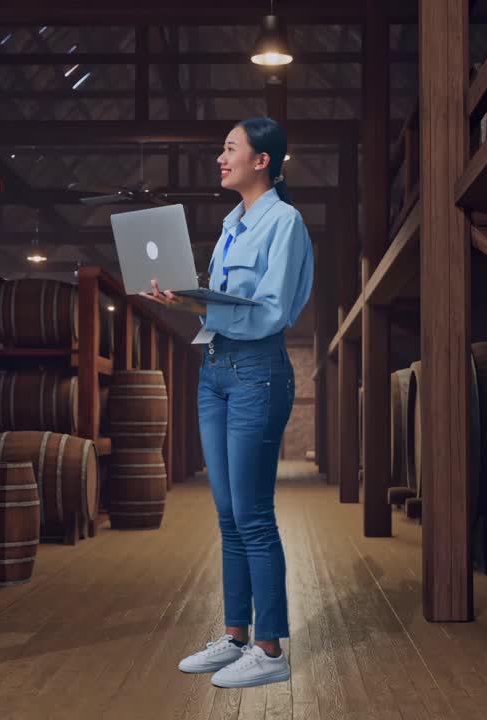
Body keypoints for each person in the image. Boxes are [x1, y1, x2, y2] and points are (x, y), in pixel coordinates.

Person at [139, 117, 313, 689]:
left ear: (261, 161)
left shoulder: (284, 222)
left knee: (255, 516)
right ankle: (236, 636)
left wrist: (196, 306)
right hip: (213, 371)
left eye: (230, 149)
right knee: (229, 516)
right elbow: (222, 304)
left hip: (256, 374)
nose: (220, 157)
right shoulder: (231, 224)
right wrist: (179, 297)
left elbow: (270, 312)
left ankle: (271, 648)